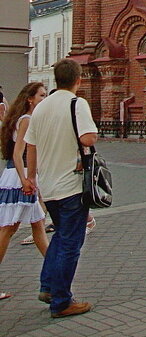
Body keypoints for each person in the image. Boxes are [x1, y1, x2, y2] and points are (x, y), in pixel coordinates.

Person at [24, 59, 98, 319]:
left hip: (49, 187)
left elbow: (30, 146)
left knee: (61, 237)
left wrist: (31, 178)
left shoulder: (42, 107)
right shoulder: (76, 103)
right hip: (71, 186)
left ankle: (47, 287)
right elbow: (88, 138)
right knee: (70, 243)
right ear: (78, 79)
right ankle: (62, 301)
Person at [0, 82, 48, 301]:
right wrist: (25, 179)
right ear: (30, 99)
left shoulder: (22, 119)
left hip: (22, 176)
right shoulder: (27, 120)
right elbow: (18, 153)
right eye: (41, 95)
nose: (44, 99)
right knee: (8, 230)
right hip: (22, 177)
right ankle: (56, 274)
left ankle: (55, 273)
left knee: (37, 225)